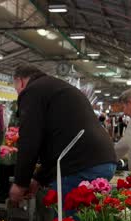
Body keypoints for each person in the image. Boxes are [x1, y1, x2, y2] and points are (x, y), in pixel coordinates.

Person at [9, 65, 117, 204]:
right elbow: (58, 140)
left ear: (20, 81)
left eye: (15, 87)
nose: (18, 92)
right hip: (103, 161)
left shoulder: (32, 91)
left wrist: (20, 183)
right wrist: (38, 179)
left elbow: (29, 140)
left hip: (79, 166)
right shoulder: (56, 87)